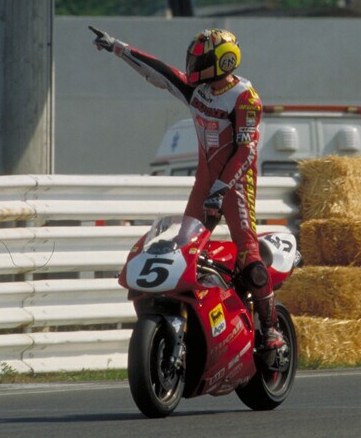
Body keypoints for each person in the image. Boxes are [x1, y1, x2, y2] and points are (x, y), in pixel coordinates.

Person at [89, 26, 285, 350]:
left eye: (201, 60)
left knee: (249, 256)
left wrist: (220, 190)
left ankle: (271, 327)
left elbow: (246, 151)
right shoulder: (198, 91)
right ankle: (200, 321)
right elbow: (159, 74)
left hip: (236, 184)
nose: (194, 67)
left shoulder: (245, 97)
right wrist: (117, 47)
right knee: (183, 251)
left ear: (222, 62)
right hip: (205, 181)